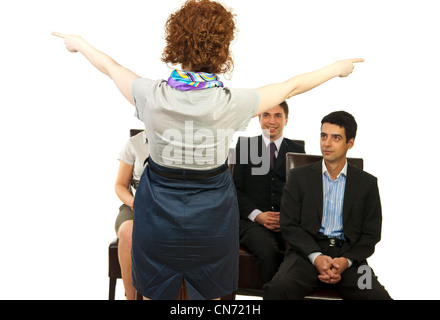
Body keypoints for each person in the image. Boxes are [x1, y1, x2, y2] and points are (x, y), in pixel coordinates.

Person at [52, 0, 363, 300]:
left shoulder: (150, 94)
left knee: (155, 292)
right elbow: (291, 86)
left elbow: (109, 66)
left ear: (176, 43)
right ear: (222, 48)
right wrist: (336, 68)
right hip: (211, 219)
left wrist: (79, 44)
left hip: (157, 216)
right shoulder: (232, 103)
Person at [263, 111, 391, 300]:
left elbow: (371, 234)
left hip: (351, 261)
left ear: (350, 143)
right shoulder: (299, 177)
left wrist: (345, 261)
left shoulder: (367, 184)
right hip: (304, 255)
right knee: (277, 289)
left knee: (378, 297)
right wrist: (315, 256)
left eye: (336, 138)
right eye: (324, 136)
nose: (327, 143)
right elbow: (289, 224)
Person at [232, 101, 305, 285]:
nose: (271, 121)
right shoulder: (245, 146)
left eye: (278, 116)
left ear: (286, 120)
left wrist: (286, 218)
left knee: (301, 251)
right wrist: (258, 216)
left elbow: (303, 194)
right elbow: (234, 190)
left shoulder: (297, 150)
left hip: (286, 222)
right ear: (259, 118)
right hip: (252, 222)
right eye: (266, 115)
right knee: (269, 250)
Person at [114, 130, 149, 300]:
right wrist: (133, 203)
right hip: (135, 205)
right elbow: (120, 185)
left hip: (169, 208)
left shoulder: (180, 141)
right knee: (128, 231)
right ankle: (131, 297)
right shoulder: (134, 143)